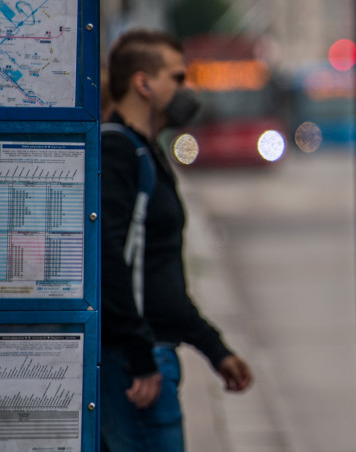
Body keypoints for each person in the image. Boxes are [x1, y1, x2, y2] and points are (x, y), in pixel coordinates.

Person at [100, 29, 253, 451]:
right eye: (178, 77)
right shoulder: (119, 152)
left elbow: (160, 276)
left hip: (150, 358)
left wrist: (215, 350)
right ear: (143, 83)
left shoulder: (146, 152)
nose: (188, 89)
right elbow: (110, 259)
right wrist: (140, 355)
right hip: (136, 369)